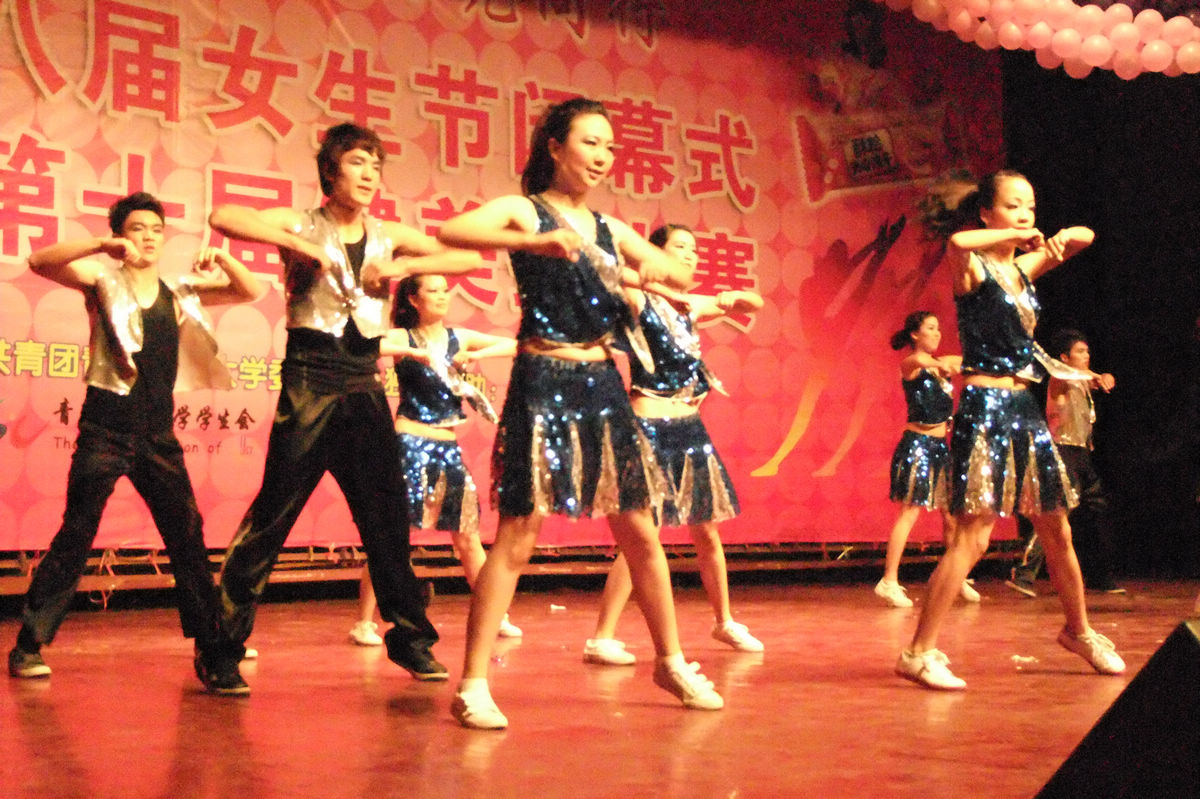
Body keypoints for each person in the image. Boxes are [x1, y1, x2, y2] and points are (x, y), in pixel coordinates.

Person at [437, 97, 724, 729]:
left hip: (603, 384)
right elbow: (452, 233)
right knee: (519, 533)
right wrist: (536, 242)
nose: (602, 156)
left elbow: (672, 272)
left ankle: (671, 661)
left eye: (609, 146)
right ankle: (473, 683)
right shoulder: (527, 210)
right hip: (544, 378)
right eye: (590, 142)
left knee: (640, 529)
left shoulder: (607, 227)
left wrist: (645, 272)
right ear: (555, 147)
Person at [207, 122, 480, 692]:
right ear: (330, 172)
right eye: (358, 163)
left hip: (364, 382)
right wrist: (304, 248)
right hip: (310, 379)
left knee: (386, 522)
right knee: (272, 518)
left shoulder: (388, 235)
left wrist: (401, 268)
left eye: (376, 166)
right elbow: (224, 216)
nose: (369, 175)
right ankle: (220, 648)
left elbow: (465, 257)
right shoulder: (301, 223)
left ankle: (412, 641)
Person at [8, 192, 262, 694]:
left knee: (187, 539)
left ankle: (212, 653)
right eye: (137, 229)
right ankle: (29, 643)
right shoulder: (102, 281)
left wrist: (222, 256)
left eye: (156, 230)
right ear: (121, 235)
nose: (148, 237)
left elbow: (248, 290)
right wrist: (101, 245)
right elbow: (40, 262)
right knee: (76, 533)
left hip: (157, 435)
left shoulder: (178, 291)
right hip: (104, 430)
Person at [895, 169, 1125, 690]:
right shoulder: (972, 269)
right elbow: (958, 242)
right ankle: (917, 652)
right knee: (973, 537)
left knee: (1057, 528)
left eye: (1030, 206)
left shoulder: (1023, 267)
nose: (1025, 214)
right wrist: (1019, 236)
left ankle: (1079, 631)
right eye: (1013, 205)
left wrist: (1057, 239)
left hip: (1024, 407)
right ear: (986, 213)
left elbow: (1086, 236)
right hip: (985, 406)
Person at [584, 223, 764, 663]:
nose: (690, 255)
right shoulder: (641, 299)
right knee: (643, 536)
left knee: (707, 529)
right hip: (649, 424)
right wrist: (651, 278)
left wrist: (731, 298)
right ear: (657, 254)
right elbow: (606, 273)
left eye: (694, 250)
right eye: (679, 247)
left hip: (690, 428)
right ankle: (602, 637)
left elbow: (754, 302)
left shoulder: (690, 306)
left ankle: (724, 621)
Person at [348, 273, 522, 647]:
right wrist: (414, 353)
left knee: (468, 536)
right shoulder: (403, 336)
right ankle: (364, 622)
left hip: (448, 446)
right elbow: (365, 345)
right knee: (393, 536)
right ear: (413, 299)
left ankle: (496, 614)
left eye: (445, 291)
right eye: (433, 291)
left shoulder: (460, 337)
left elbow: (516, 344)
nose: (443, 296)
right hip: (410, 442)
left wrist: (477, 355)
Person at [1005, 328, 1124, 596]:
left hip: (1082, 454)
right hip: (1062, 453)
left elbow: (1097, 379)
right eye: (1079, 352)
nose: (1086, 356)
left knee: (1097, 511)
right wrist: (1097, 375)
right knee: (1054, 515)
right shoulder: (1059, 380)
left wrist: (1105, 376)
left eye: (1087, 351)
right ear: (1064, 358)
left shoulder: (1083, 381)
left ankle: (1099, 575)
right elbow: (1066, 374)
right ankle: (1023, 574)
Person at [874, 311, 980, 608]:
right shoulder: (912, 364)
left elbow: (963, 361)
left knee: (951, 516)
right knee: (909, 512)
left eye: (938, 329)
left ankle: (955, 577)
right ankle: (889, 581)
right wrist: (940, 364)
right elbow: (919, 360)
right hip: (917, 445)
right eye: (930, 328)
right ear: (915, 334)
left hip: (940, 447)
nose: (936, 333)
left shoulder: (940, 364)